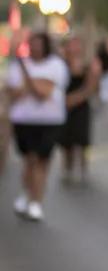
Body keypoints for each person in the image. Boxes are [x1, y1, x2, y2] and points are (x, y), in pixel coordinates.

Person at [8, 31, 70, 222]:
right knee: (29, 159)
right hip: (24, 120)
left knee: (40, 159)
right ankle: (27, 193)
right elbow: (14, 93)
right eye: (32, 43)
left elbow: (44, 92)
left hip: (49, 121)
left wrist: (28, 80)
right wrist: (35, 83)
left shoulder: (56, 65)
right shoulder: (16, 65)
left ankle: (36, 200)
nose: (35, 47)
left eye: (39, 44)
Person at [60, 35, 100, 184]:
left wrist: (74, 99)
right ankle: (68, 168)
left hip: (81, 106)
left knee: (82, 139)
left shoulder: (89, 64)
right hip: (64, 106)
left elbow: (91, 87)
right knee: (66, 140)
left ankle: (83, 169)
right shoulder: (62, 63)